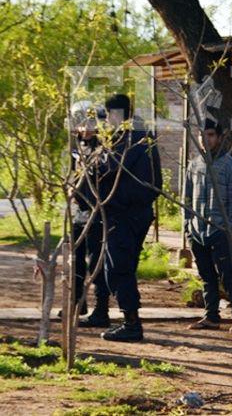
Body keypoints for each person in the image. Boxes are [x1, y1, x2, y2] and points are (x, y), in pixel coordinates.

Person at [97, 94, 161, 342]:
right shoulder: (141, 133)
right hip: (134, 211)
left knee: (119, 268)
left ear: (115, 114)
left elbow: (110, 167)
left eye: (108, 116)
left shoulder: (130, 136)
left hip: (126, 213)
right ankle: (129, 320)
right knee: (121, 267)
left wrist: (96, 157)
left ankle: (132, 324)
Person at [184, 119, 232, 332]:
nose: (206, 139)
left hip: (219, 231)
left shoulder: (229, 166)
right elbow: (186, 199)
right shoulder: (194, 165)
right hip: (197, 232)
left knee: (228, 276)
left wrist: (228, 227)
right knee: (206, 276)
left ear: (219, 137)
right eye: (202, 135)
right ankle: (211, 317)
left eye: (210, 135)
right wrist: (187, 228)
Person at [68, 101, 111, 327]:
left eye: (89, 122)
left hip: (96, 213)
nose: (85, 127)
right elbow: (72, 174)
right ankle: (77, 303)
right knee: (75, 259)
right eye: (81, 122)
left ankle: (100, 309)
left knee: (97, 262)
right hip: (77, 211)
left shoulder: (103, 148)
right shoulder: (76, 145)